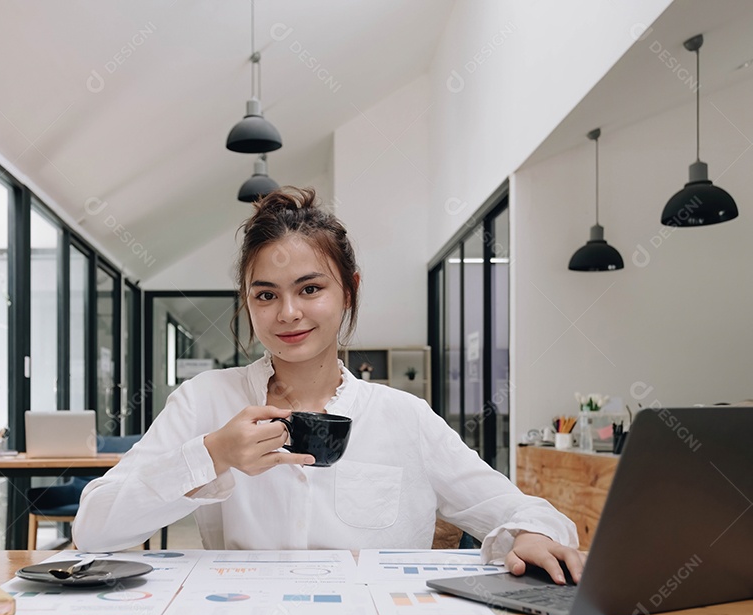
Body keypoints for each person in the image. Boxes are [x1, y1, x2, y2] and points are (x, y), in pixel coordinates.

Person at [73, 187, 582, 584]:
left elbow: (526, 512)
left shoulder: (404, 416)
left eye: (310, 289)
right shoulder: (206, 400)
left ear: (349, 289)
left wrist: (533, 535)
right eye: (266, 294)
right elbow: (94, 529)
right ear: (247, 302)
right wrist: (213, 453)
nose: (288, 313)